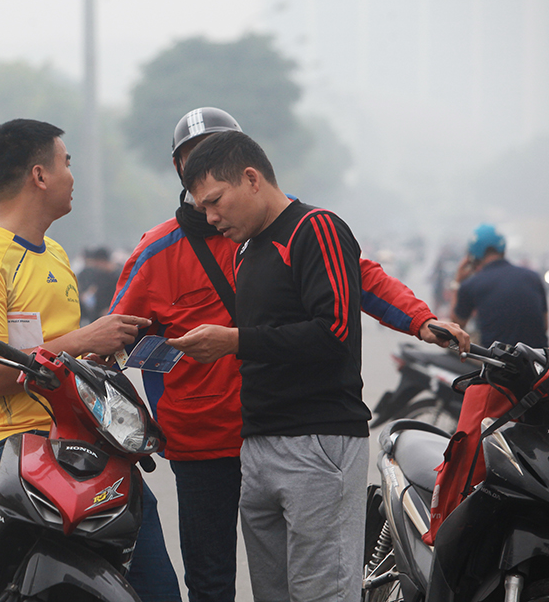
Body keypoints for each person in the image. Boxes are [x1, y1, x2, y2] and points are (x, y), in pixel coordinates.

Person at [109, 107, 468, 602]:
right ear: (181, 175)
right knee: (214, 580)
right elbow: (117, 336)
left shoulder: (290, 227)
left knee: (315, 581)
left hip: (288, 429)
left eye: (215, 161)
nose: (205, 183)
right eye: (194, 167)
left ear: (246, 170)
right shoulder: (157, 251)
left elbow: (360, 280)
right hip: (203, 442)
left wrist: (420, 320)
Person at [0, 118, 181, 602]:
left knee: (155, 587)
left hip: (87, 440)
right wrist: (81, 339)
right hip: (13, 451)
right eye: (66, 163)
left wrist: (95, 349)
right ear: (39, 175)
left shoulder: (54, 254)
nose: (72, 175)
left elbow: (58, 354)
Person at [167, 130, 372, 602]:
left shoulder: (315, 229)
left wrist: (234, 342)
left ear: (252, 178)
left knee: (322, 593)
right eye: (203, 210)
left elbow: (334, 331)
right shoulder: (247, 249)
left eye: (216, 202)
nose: (212, 218)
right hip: (258, 442)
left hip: (318, 441)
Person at [423, 223, 549, 544]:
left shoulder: (473, 283)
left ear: (475, 254)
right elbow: (544, 324)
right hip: (540, 376)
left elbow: (456, 330)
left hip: (499, 378)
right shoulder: (531, 276)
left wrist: (461, 281)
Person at [77, 246, 121, 325]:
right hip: (98, 316)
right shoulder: (99, 275)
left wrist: (111, 309)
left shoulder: (118, 276)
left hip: (112, 316)